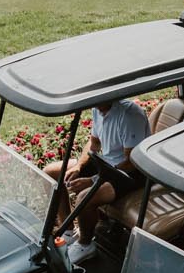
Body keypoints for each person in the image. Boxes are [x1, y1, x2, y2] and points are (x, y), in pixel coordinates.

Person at [62, 96, 153, 238]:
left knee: (84, 198)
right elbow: (94, 143)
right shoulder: (97, 108)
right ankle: (67, 233)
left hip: (133, 172)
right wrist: (79, 166)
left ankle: (85, 245)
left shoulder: (129, 115)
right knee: (54, 172)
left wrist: (93, 180)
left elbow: (131, 162)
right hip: (107, 165)